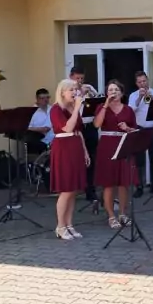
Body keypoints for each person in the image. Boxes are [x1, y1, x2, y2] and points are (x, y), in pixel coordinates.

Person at [93, 80, 139, 229]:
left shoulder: (128, 110)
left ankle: (122, 214)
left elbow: (135, 130)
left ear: (122, 93)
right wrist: (106, 105)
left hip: (123, 144)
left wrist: (127, 128)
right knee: (108, 183)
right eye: (111, 90)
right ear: (107, 93)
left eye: (117, 90)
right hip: (107, 145)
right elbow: (97, 124)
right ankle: (111, 216)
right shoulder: (101, 107)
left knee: (123, 182)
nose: (114, 92)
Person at [49, 79, 90, 240]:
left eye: (75, 89)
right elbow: (68, 128)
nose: (74, 92)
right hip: (63, 148)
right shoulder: (56, 109)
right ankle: (60, 226)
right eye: (71, 90)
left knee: (73, 190)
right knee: (66, 189)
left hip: (76, 146)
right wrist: (77, 108)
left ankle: (69, 224)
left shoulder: (73, 107)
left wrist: (85, 152)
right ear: (62, 92)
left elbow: (78, 131)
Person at [128, 71, 153, 197]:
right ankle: (139, 186)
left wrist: (152, 97)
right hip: (140, 129)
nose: (142, 84)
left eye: (144, 81)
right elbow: (130, 111)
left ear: (147, 81)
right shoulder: (133, 95)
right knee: (139, 159)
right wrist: (140, 98)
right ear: (136, 83)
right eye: (139, 82)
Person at [69, 66, 99, 202]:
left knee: (91, 157)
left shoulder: (89, 87)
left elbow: (98, 102)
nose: (80, 81)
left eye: (82, 78)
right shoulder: (68, 90)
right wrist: (80, 94)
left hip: (90, 126)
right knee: (77, 158)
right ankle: (75, 187)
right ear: (71, 77)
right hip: (77, 127)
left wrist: (90, 93)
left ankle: (90, 190)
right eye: (77, 78)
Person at [27, 88, 54, 154]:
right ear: (37, 98)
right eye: (42, 98)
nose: (45, 100)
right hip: (39, 144)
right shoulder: (31, 112)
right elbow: (27, 128)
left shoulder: (53, 109)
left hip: (54, 142)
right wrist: (41, 129)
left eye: (47, 97)